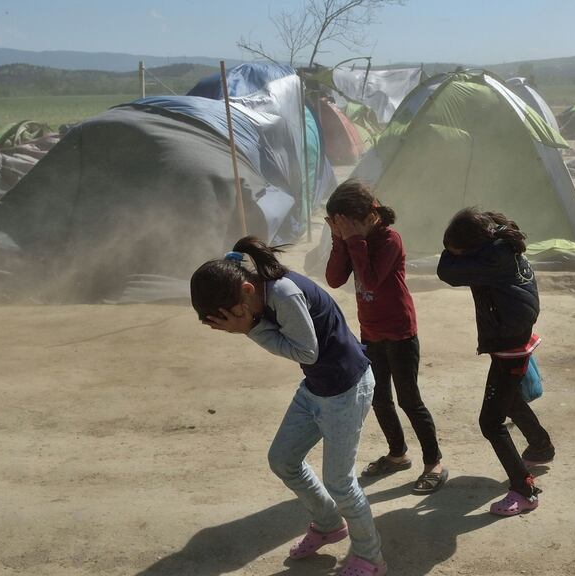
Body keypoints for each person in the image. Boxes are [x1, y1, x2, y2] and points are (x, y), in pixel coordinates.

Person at [191, 237, 387, 575]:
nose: (232, 323)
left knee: (339, 483)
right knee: (282, 460)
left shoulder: (283, 294)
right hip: (316, 388)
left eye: (232, 316)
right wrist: (247, 323)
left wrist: (251, 328)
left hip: (346, 391)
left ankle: (370, 558)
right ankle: (329, 524)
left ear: (247, 291)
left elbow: (307, 352)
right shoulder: (255, 288)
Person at [324, 180, 446, 494]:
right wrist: (340, 241)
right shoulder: (354, 240)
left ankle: (434, 462)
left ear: (369, 216)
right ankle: (397, 453)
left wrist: (353, 241)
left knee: (409, 399)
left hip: (399, 331)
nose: (344, 230)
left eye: (347, 224)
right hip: (371, 331)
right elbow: (334, 279)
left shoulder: (390, 239)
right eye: (337, 224)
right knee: (378, 397)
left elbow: (370, 280)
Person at [436, 208, 556, 516]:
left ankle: (525, 491)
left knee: (490, 422)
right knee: (510, 400)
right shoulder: (500, 247)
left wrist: (455, 254)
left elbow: (446, 271)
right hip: (513, 338)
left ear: (473, 247)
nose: (455, 256)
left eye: (458, 250)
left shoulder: (491, 258)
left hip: (509, 346)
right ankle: (541, 446)